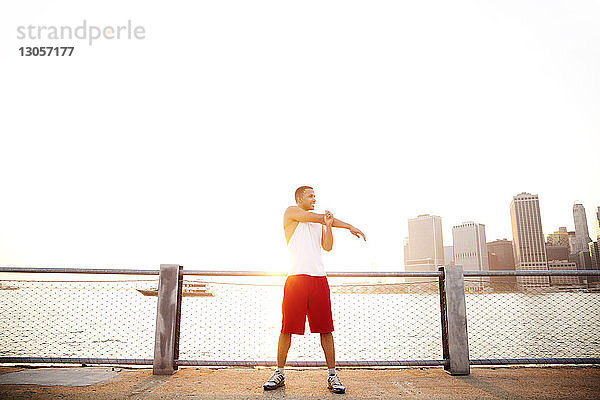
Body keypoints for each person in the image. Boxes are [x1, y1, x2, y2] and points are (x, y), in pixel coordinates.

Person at [263, 185, 366, 394]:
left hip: (319, 280)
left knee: (326, 329)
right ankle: (279, 372)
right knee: (287, 329)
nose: (314, 199)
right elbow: (313, 218)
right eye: (310, 196)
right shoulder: (292, 213)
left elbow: (327, 247)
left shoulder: (320, 221)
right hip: (296, 280)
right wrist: (342, 223)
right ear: (299, 198)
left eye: (315, 196)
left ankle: (332, 374)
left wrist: (331, 226)